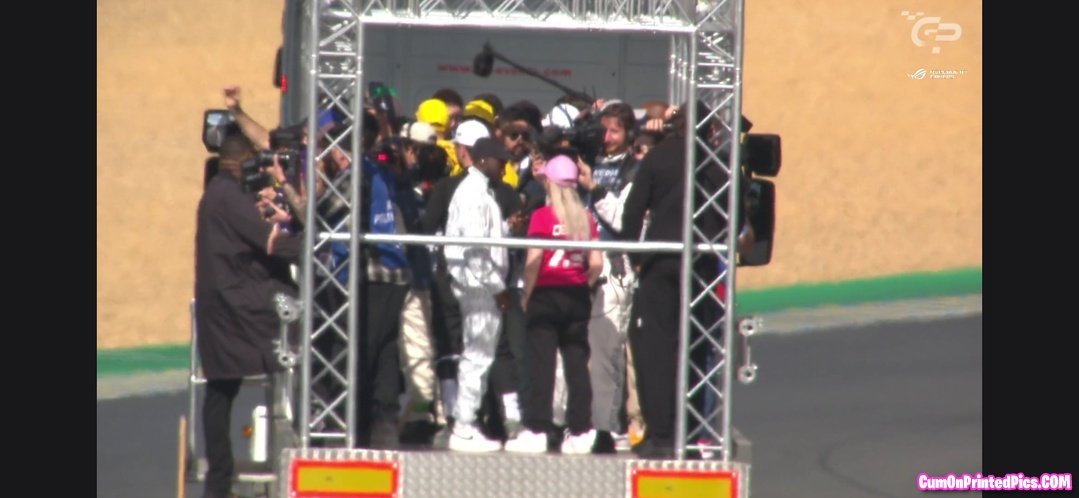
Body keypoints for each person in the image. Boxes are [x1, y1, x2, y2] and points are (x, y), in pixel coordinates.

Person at [620, 101, 742, 459]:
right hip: (700, 267)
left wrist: (636, 258)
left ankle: (661, 435)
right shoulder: (720, 164)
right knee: (695, 350)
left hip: (660, 262)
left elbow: (632, 213)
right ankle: (688, 435)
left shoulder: (658, 158)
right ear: (710, 128)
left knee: (653, 350)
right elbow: (735, 221)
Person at [194, 133, 302, 498]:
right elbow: (270, 242)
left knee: (220, 391)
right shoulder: (229, 196)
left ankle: (219, 482)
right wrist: (317, 244)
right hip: (239, 307)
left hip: (221, 305)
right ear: (242, 162)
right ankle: (220, 481)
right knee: (303, 331)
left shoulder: (219, 193)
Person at [504, 155, 603, 455]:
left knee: (541, 365)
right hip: (576, 295)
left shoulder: (542, 216)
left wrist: (526, 294)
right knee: (577, 364)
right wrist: (583, 284)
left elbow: (533, 261)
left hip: (546, 295)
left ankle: (537, 428)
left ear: (550, 183)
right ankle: (581, 430)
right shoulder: (586, 218)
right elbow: (596, 263)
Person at [443, 137, 518, 452]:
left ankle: (469, 424)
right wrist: (498, 288)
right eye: (501, 162)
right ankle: (463, 427)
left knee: (479, 356)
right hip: (479, 287)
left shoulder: (479, 191)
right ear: (484, 160)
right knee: (477, 356)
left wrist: (507, 228)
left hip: (479, 285)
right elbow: (475, 250)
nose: (504, 168)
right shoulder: (474, 194)